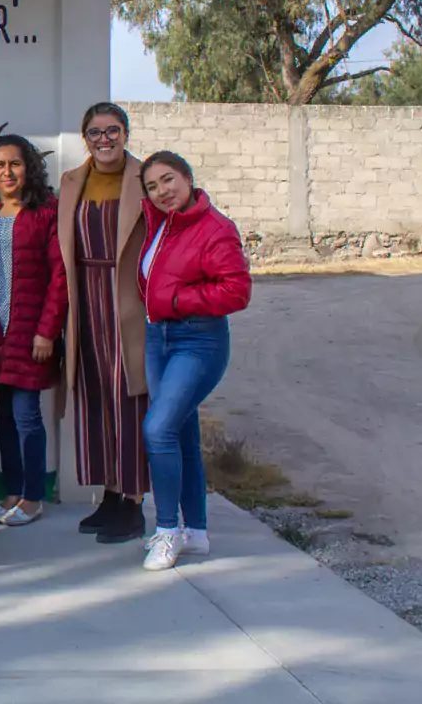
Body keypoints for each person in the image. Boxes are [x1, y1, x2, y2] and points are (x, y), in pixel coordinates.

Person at [137, 152, 252, 570]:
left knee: (158, 427)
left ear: (188, 178)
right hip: (158, 338)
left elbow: (236, 291)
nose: (162, 191)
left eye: (169, 180)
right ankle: (196, 532)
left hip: (198, 340)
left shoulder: (216, 229)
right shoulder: (160, 223)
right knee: (181, 433)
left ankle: (167, 531)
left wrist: (174, 300)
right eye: (152, 186)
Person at [59, 102, 151, 545]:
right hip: (86, 300)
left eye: (112, 131)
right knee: (95, 398)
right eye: (95, 133)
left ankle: (134, 504)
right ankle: (109, 495)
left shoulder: (145, 179)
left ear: (126, 134)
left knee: (130, 398)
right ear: (85, 139)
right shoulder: (73, 181)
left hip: (129, 299)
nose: (104, 141)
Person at [0, 134, 68, 527]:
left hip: (31, 332)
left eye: (14, 163)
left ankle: (32, 497)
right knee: (4, 417)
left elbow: (60, 276)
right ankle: (11, 493)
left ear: (28, 167)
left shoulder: (47, 212)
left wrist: (47, 331)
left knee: (27, 416)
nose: (7, 172)